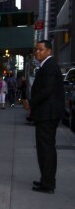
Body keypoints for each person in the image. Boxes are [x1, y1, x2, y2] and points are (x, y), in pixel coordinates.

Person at [23, 40, 64, 194]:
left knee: (46, 149)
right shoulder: (46, 66)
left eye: (41, 50)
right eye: (36, 50)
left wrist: (31, 103)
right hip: (46, 114)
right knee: (45, 149)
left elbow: (47, 91)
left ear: (49, 51)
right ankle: (46, 180)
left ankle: (47, 183)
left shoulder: (50, 66)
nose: (37, 52)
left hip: (48, 115)